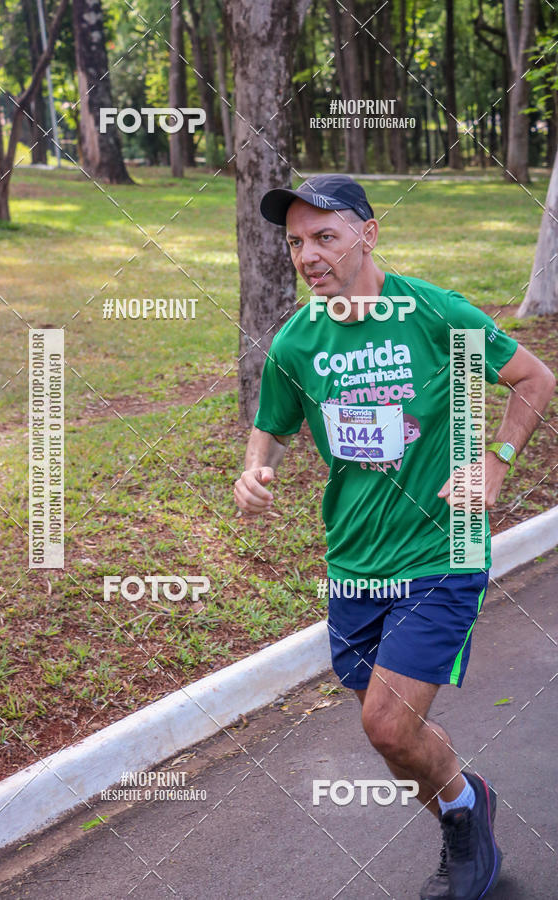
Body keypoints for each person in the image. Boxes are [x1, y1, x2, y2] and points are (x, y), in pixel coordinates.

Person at [233, 175, 556, 900]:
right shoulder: (298, 340)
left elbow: (533, 379)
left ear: (368, 235)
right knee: (395, 738)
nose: (308, 256)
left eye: (325, 236)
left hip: (439, 551)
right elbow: (275, 424)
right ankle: (465, 803)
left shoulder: (430, 313)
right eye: (295, 243)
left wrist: (495, 463)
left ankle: (461, 827)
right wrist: (255, 469)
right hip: (353, 561)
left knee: (385, 726)